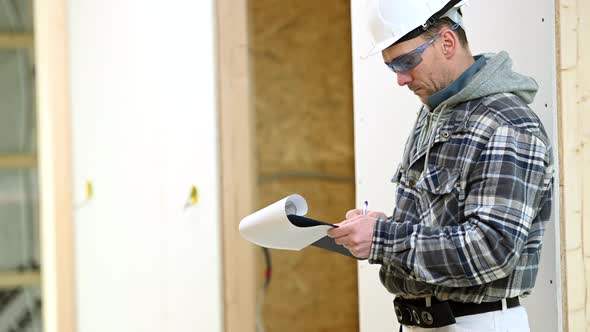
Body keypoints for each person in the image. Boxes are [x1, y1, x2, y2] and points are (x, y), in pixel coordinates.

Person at [326, 0, 554, 331]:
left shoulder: (506, 122)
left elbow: (493, 248)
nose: (401, 79)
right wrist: (382, 226)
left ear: (447, 42)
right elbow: (441, 224)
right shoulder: (435, 112)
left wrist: (384, 239)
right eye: (392, 67)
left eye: (406, 62)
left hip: (476, 323)